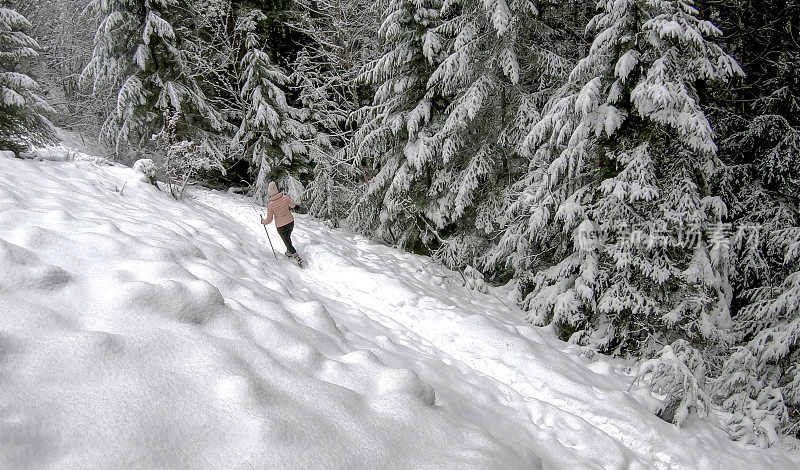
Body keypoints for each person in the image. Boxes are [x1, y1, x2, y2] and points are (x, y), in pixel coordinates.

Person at [261, 181, 303, 264]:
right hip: (290, 222)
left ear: (269, 192)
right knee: (288, 237)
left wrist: (263, 221)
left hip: (281, 226)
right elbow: (293, 205)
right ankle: (289, 252)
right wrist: (296, 207)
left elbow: (269, 219)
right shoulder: (284, 198)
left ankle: (296, 256)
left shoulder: (271, 204)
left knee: (286, 241)